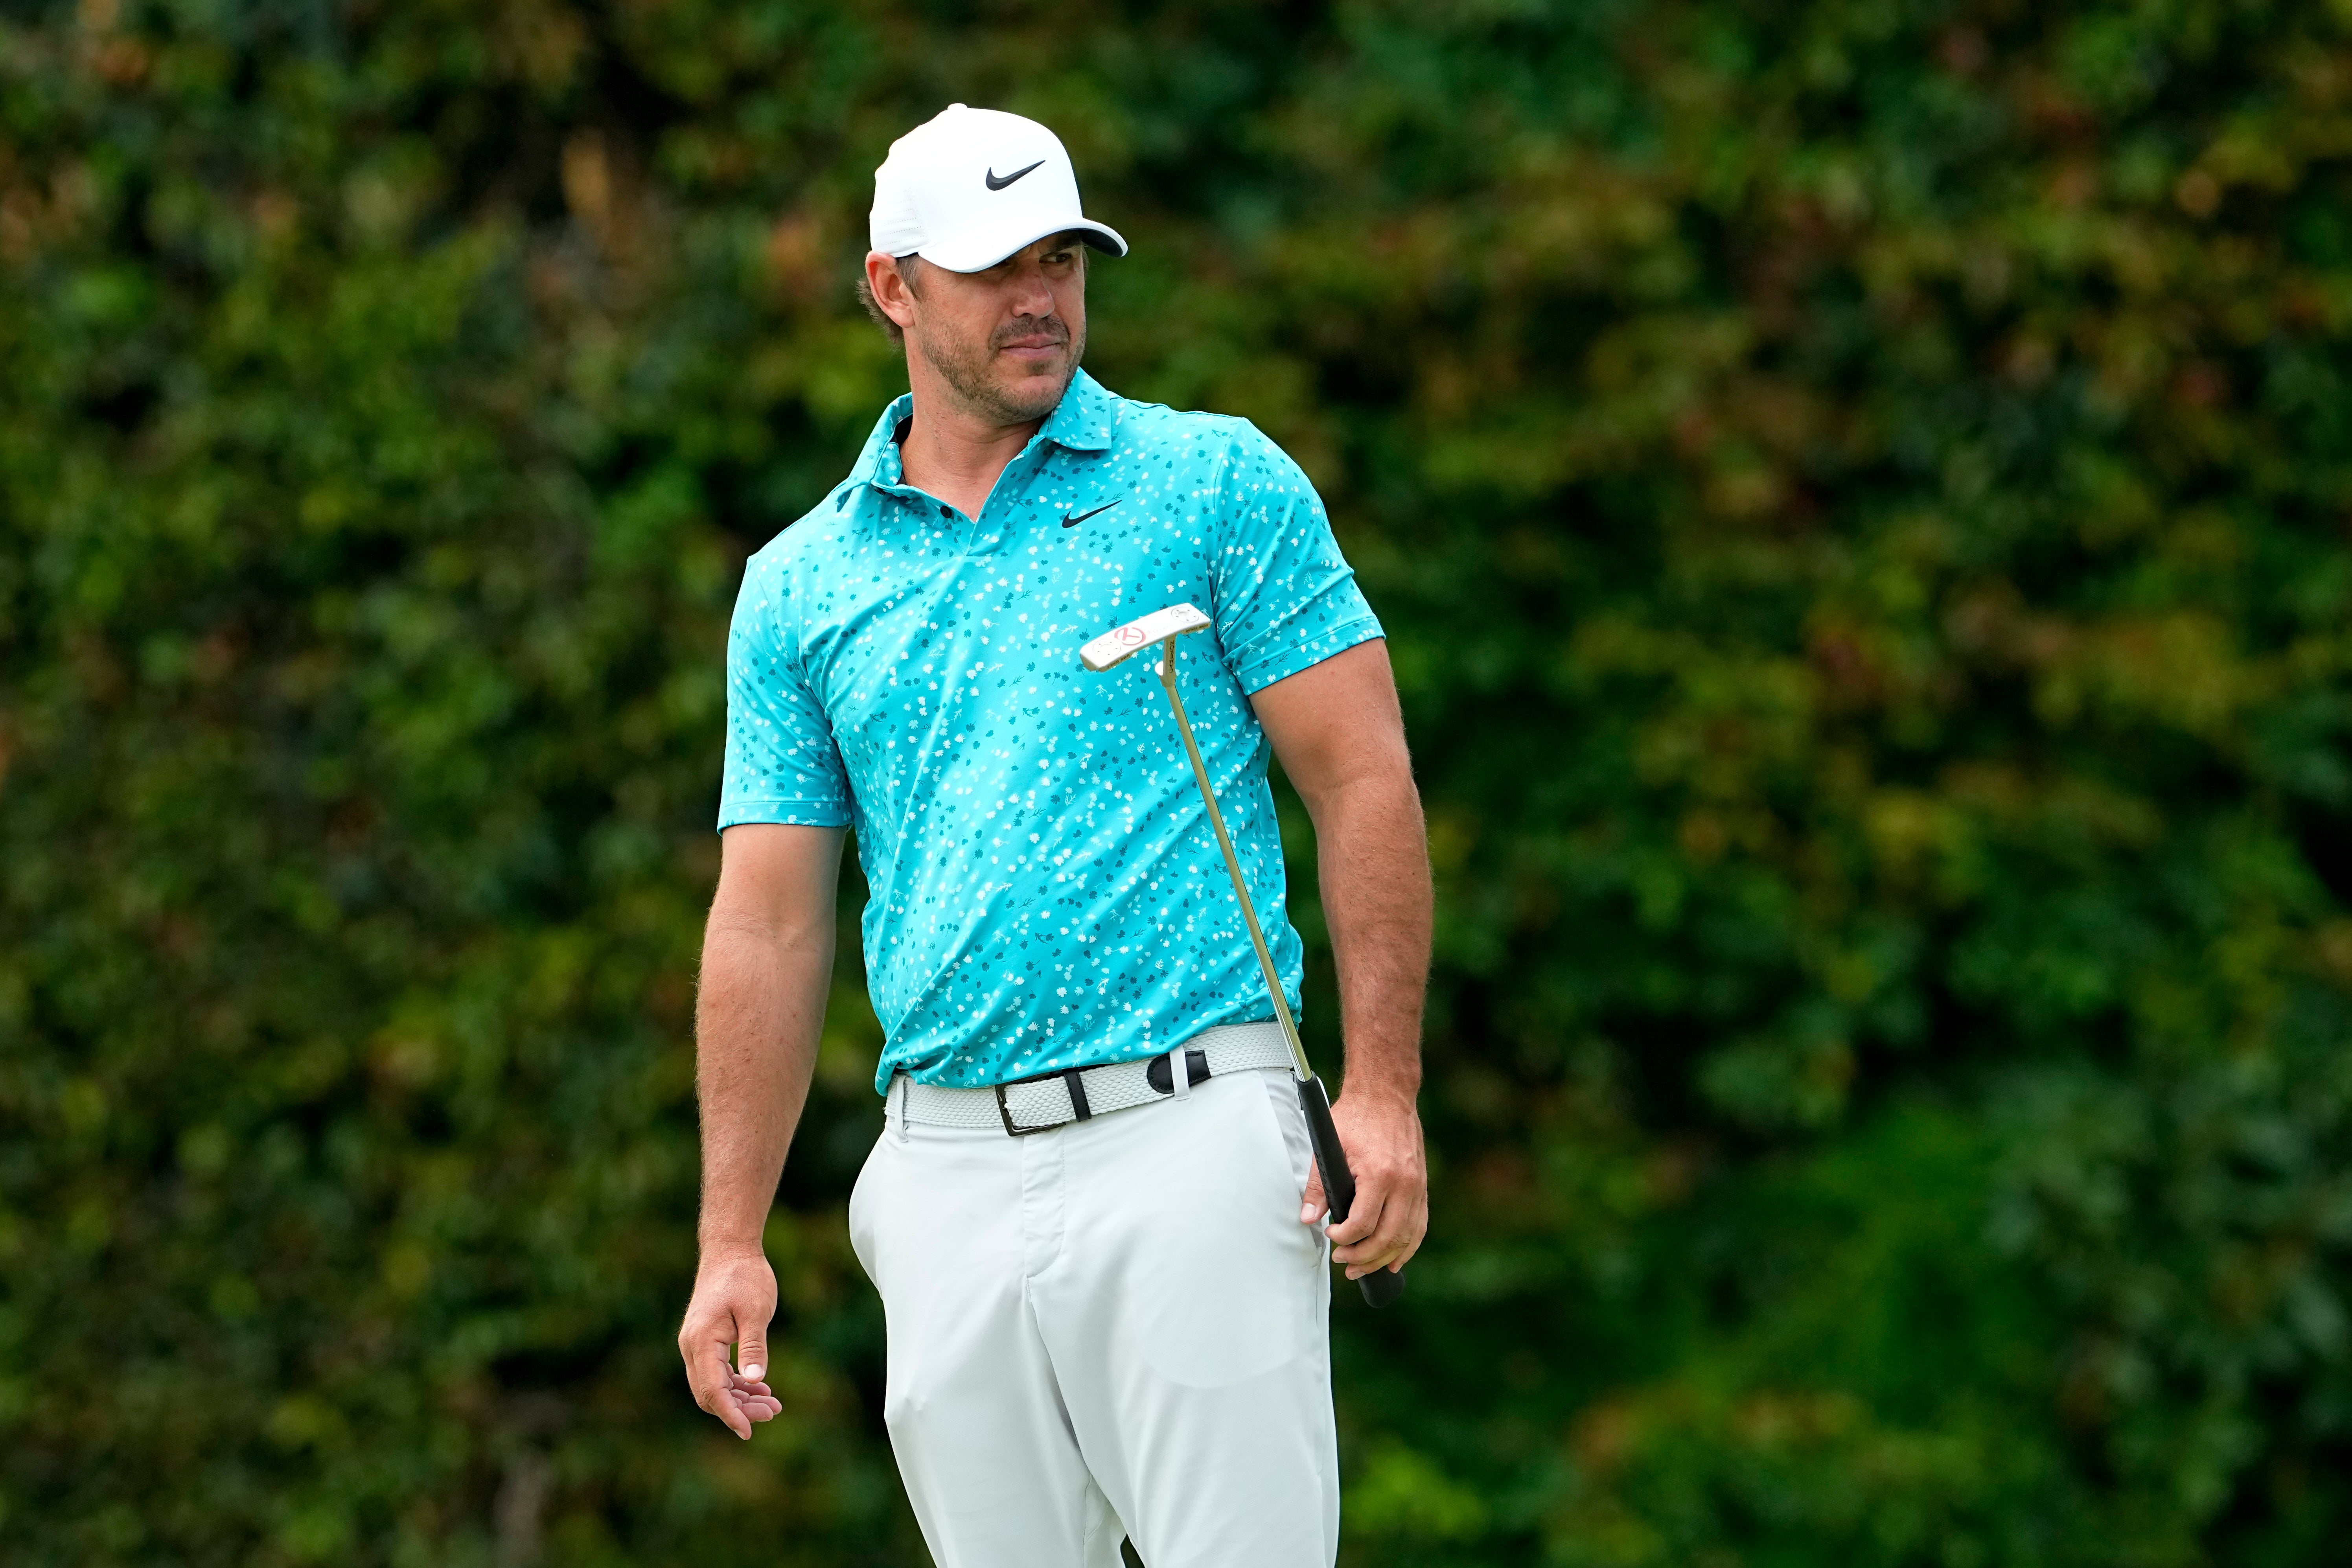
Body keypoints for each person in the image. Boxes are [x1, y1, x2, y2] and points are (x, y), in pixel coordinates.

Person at [677, 103, 1431, 1568]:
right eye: (992, 267)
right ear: (892, 286)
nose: (1041, 297)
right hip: (941, 1173)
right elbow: (769, 921)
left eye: (1063, 259)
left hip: (1205, 1135)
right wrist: (729, 1238)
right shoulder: (799, 584)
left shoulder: (1211, 483)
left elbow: (1364, 778)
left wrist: (1385, 1091)